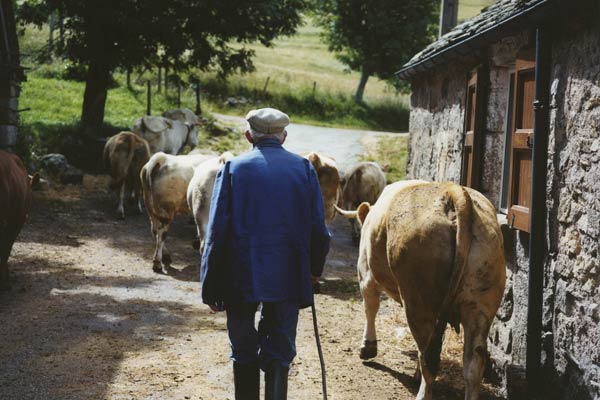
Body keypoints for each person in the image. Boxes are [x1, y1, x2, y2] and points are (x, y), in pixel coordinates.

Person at [200, 107, 331, 400]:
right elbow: (319, 230)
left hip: (240, 277)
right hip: (288, 275)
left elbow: (216, 233)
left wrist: (211, 286)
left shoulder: (233, 169)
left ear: (249, 136)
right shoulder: (304, 169)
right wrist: (313, 270)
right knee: (280, 350)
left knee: (243, 350)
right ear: (284, 137)